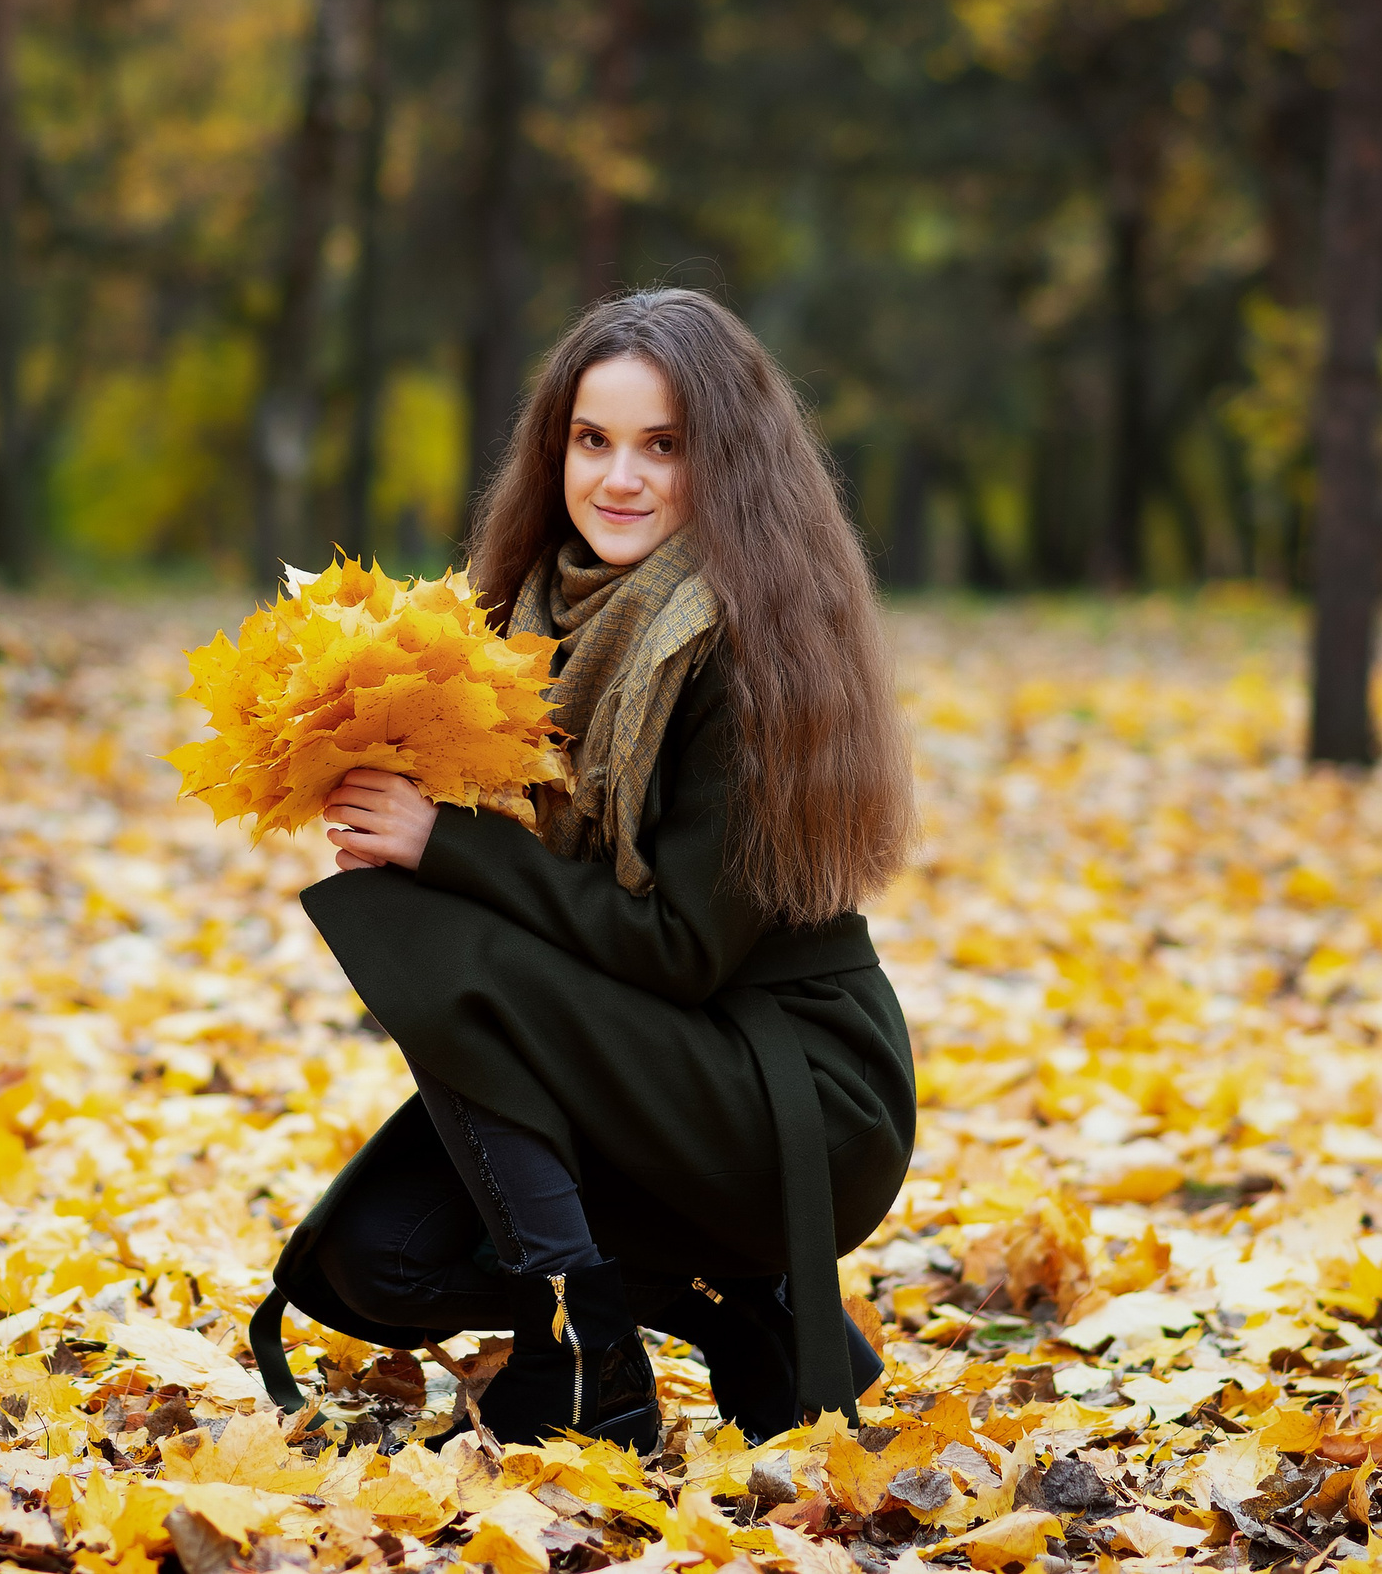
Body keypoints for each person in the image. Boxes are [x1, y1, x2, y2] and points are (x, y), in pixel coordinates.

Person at [246, 288, 920, 1450]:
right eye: (592, 440)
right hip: (648, 1049)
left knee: (425, 930)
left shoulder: (751, 653)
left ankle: (594, 1349)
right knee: (379, 1263)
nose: (621, 478)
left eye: (665, 447)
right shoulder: (532, 618)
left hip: (793, 1092)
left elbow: (676, 950)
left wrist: (443, 845)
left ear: (730, 465)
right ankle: (734, 1301)